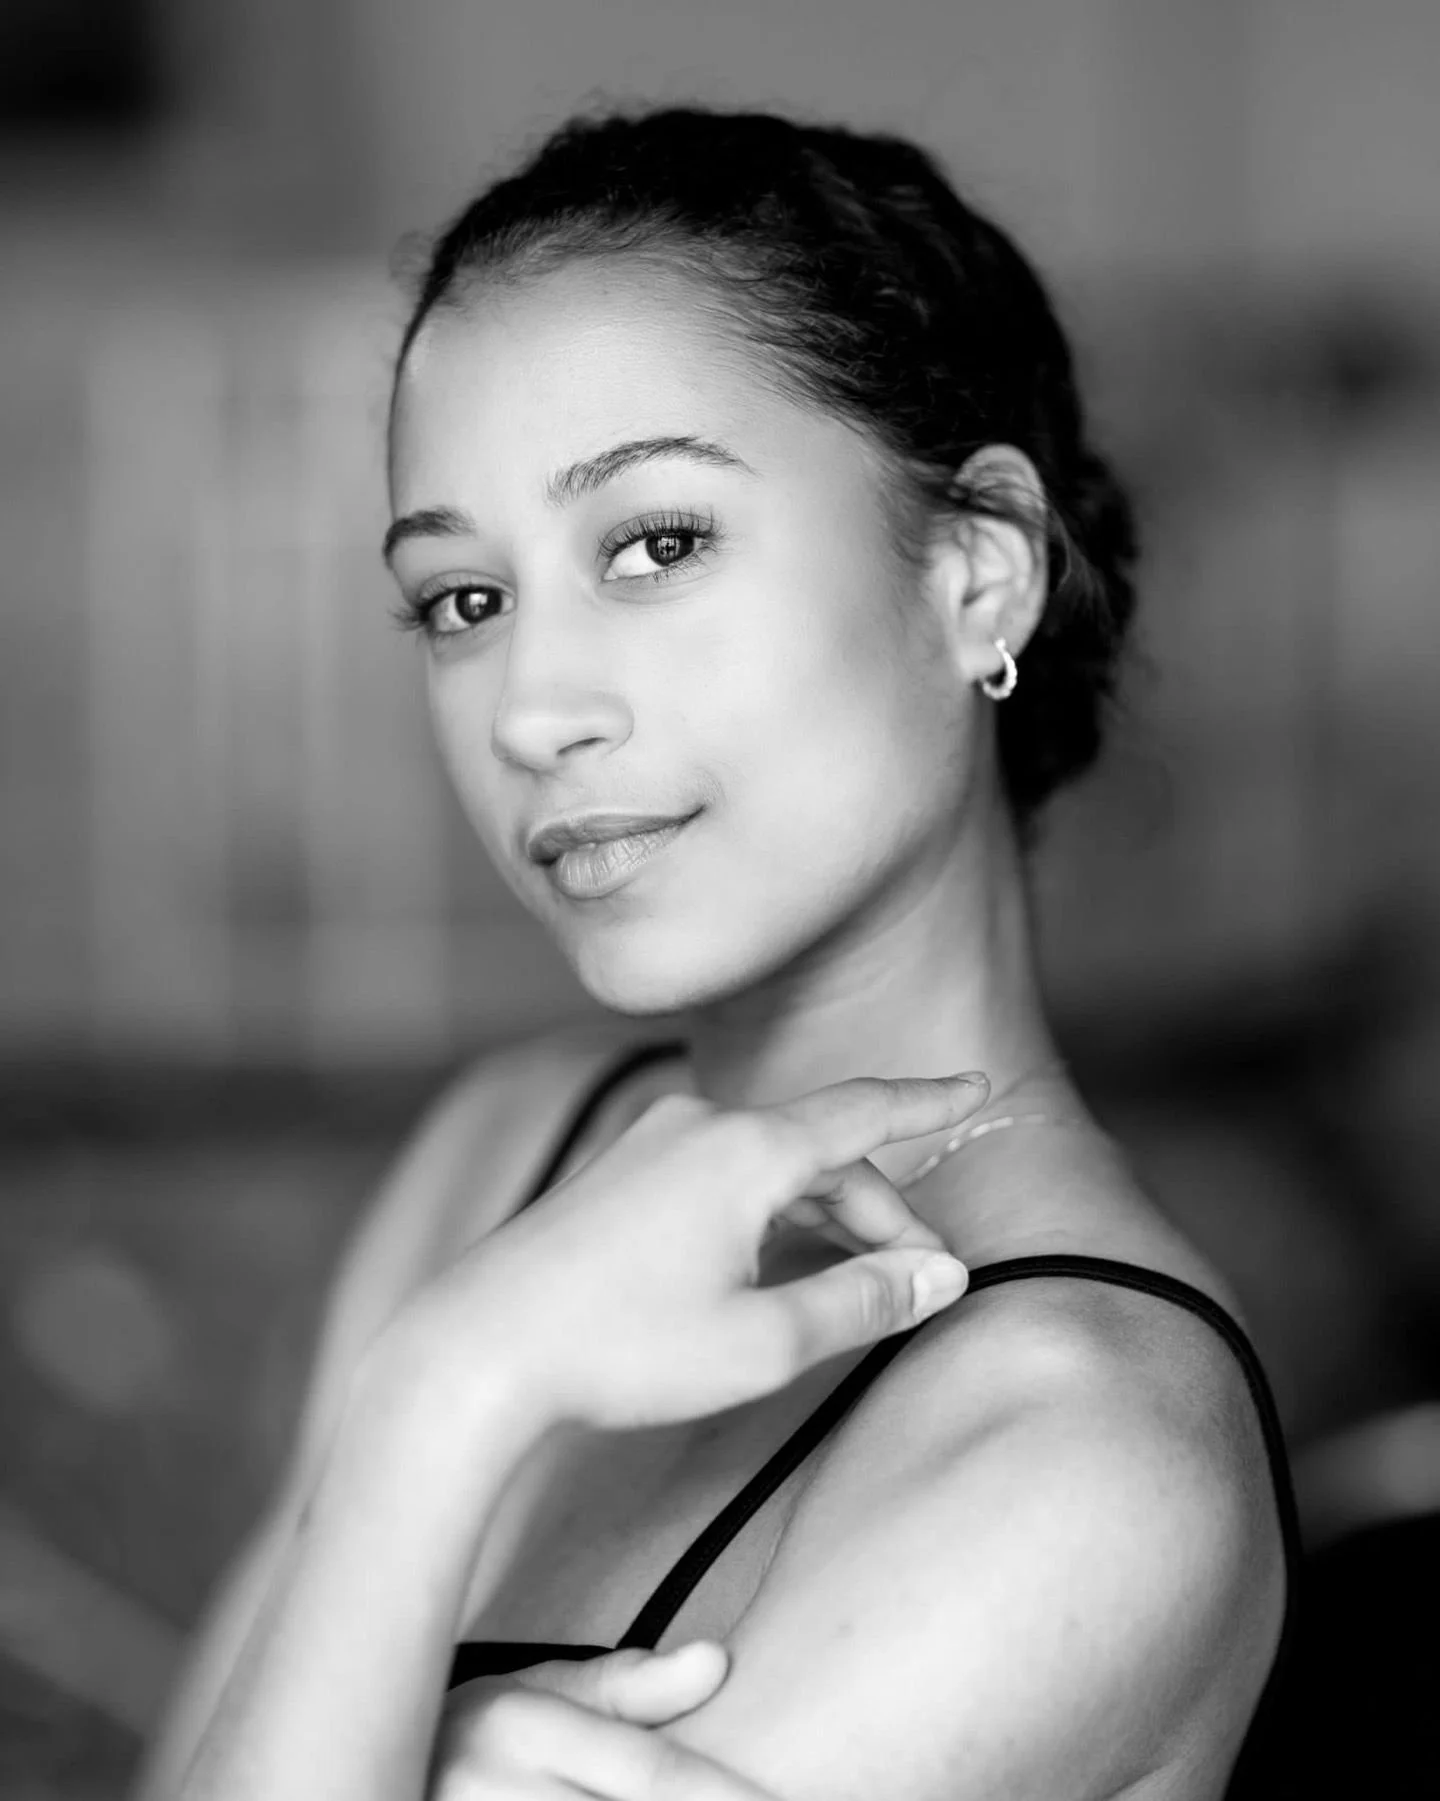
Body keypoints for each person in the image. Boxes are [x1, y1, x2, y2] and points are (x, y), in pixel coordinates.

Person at [133, 102, 1301, 1801]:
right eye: (465, 600)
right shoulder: (507, 1154)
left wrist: (442, 1429)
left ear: (978, 577)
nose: (533, 710)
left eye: (657, 544)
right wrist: (448, 1396)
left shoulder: (1092, 1445)